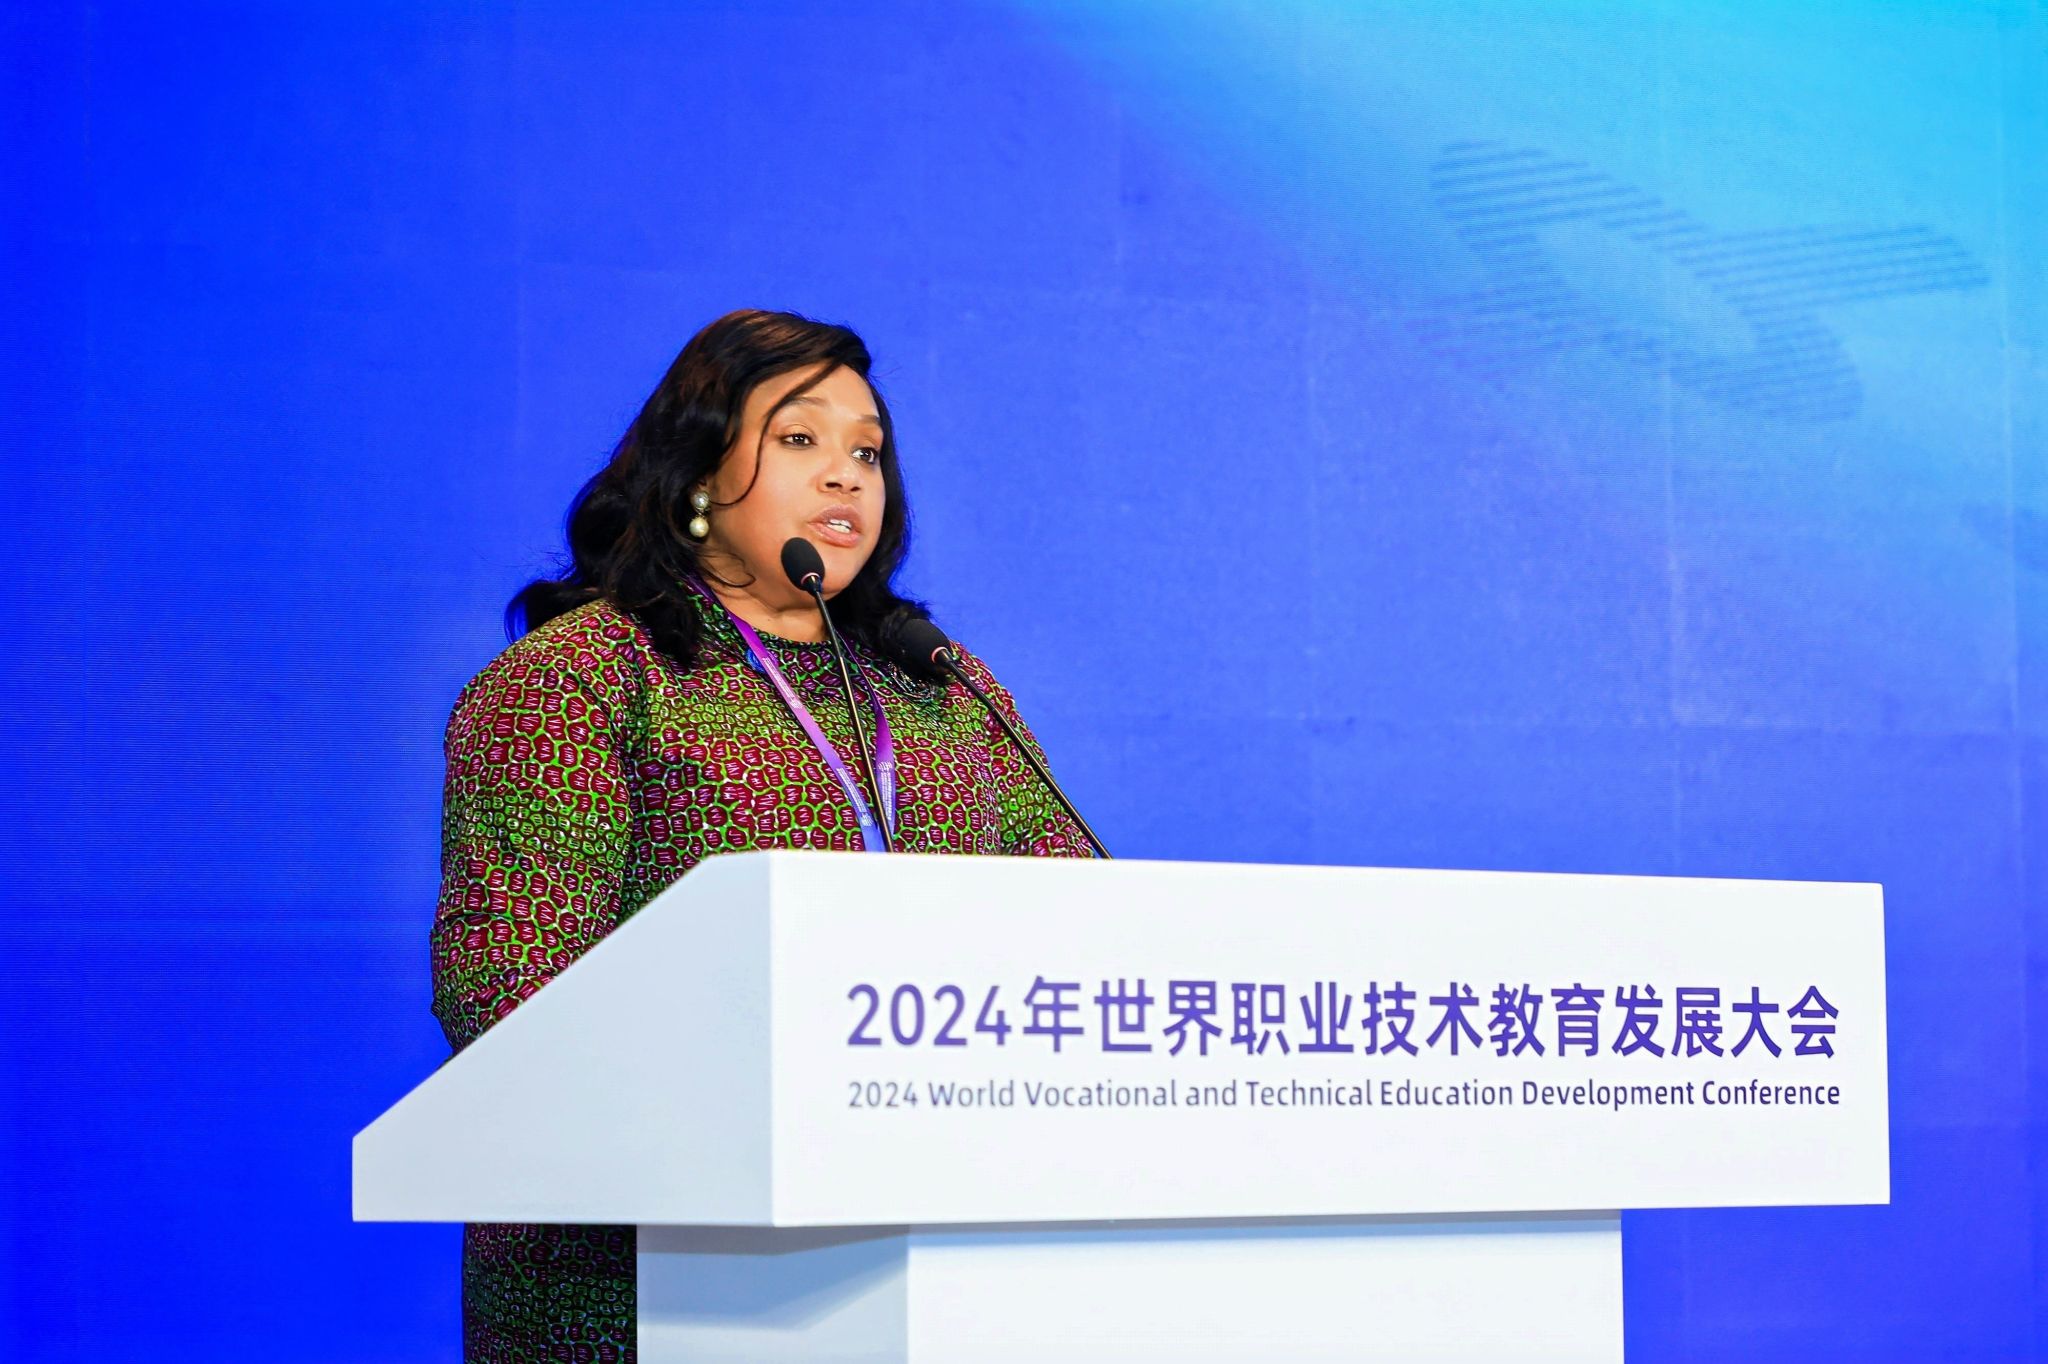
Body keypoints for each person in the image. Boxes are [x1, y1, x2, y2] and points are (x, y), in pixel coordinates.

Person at [428, 308, 1092, 1361]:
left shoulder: (940, 688)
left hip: (924, 1250)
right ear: (697, 472)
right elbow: (513, 982)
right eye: (800, 437)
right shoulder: (580, 678)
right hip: (638, 1267)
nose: (845, 475)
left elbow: (1082, 931)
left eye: (866, 451)